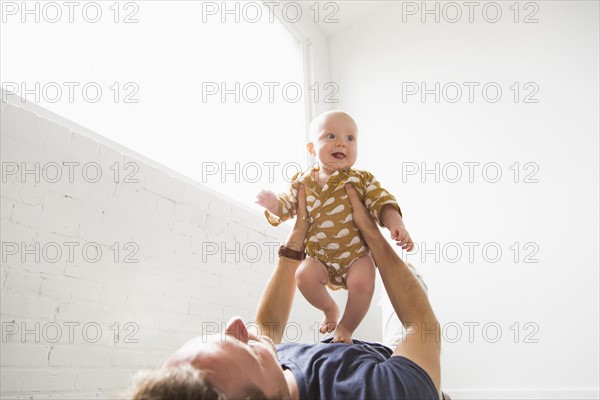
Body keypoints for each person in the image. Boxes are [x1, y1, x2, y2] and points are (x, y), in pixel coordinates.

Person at [130, 183, 444, 400]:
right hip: (398, 362)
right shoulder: (381, 391)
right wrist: (371, 234)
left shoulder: (268, 372)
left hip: (358, 354)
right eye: (247, 351)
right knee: (410, 285)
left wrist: (297, 238)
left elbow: (267, 327)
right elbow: (423, 328)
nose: (236, 325)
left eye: (221, 336)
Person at [256, 110, 414, 343]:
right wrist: (272, 204)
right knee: (303, 275)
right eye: (331, 136)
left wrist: (396, 224)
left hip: (355, 256)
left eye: (350, 138)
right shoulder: (303, 181)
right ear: (311, 149)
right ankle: (329, 308)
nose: (342, 142)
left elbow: (382, 201)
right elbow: (288, 206)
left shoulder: (361, 180)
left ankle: (346, 328)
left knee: (364, 281)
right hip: (320, 258)